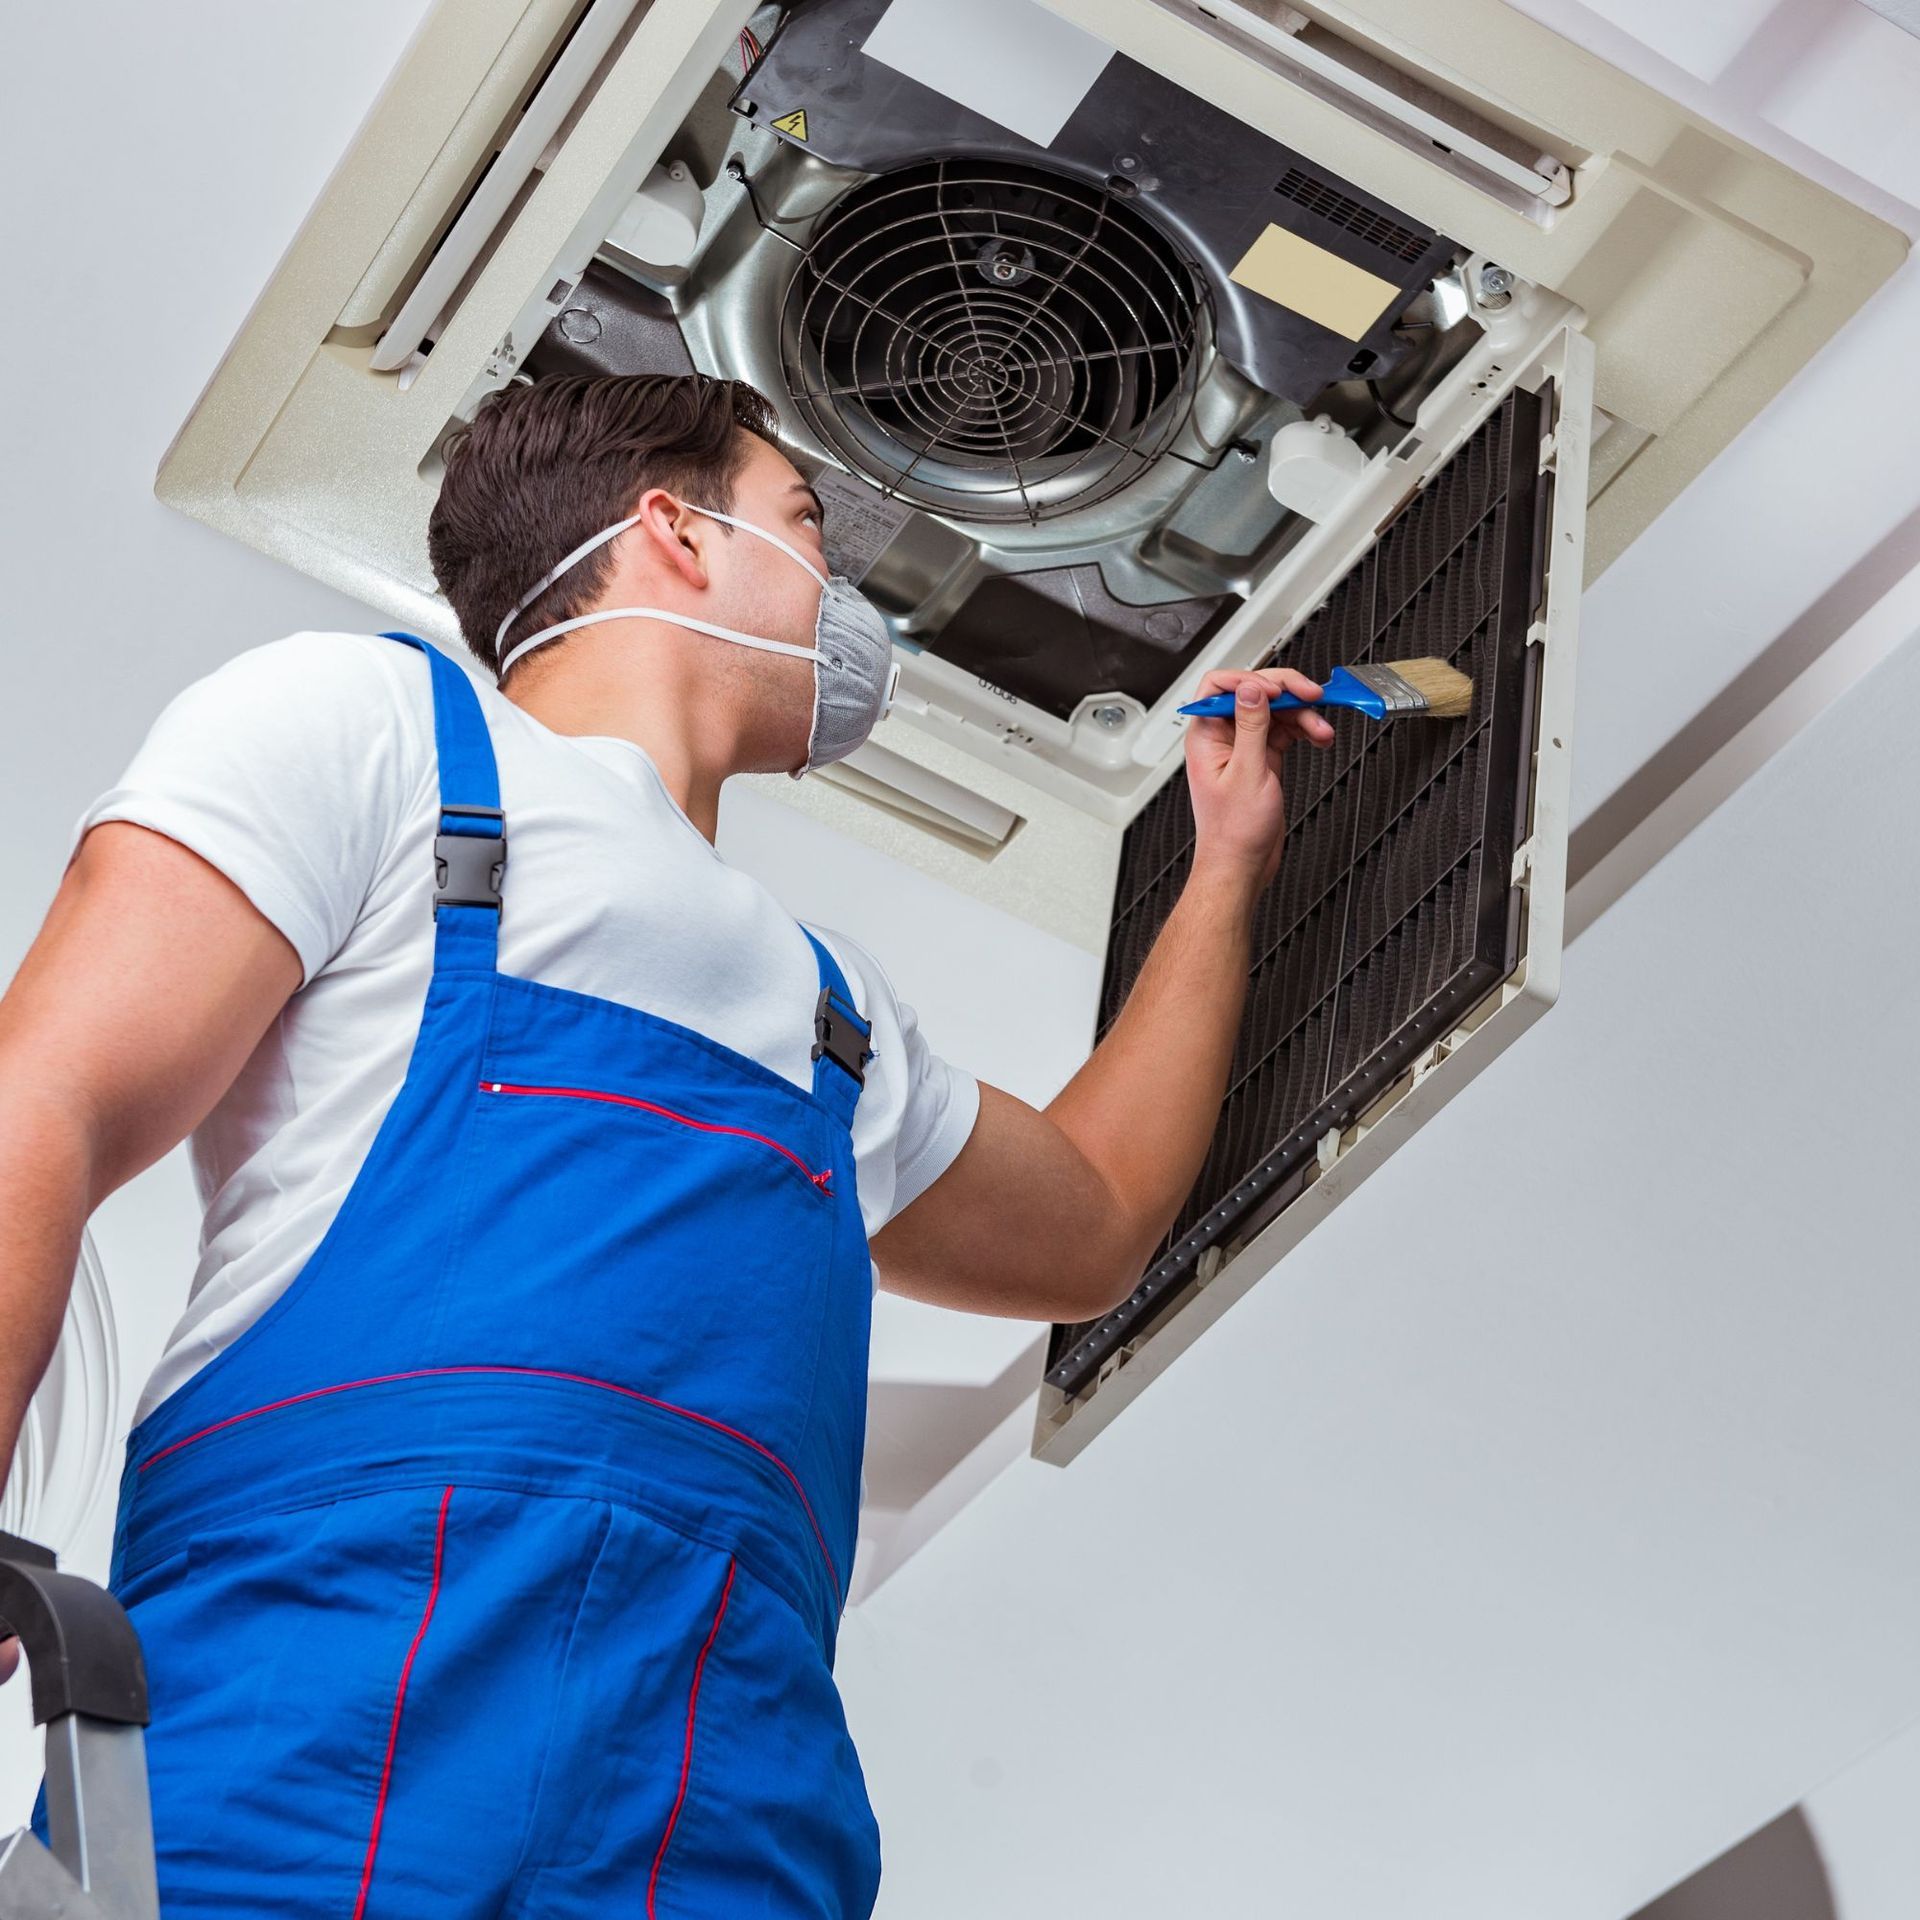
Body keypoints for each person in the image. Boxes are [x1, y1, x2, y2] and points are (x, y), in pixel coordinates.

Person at [0, 372, 1331, 1917]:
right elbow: (51, 1094)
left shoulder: (842, 1018)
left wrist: (1226, 866)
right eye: (806, 522)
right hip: (316, 1731)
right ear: (675, 533)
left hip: (723, 1801)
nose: (839, 592)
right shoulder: (377, 731)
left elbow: (1095, 1220)